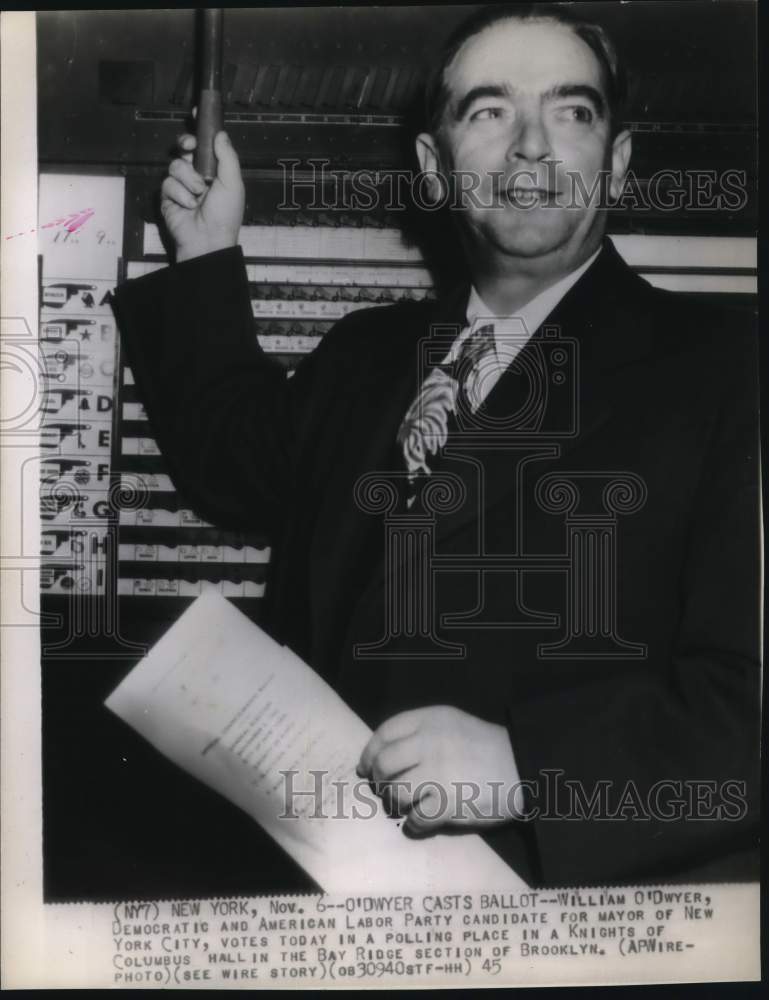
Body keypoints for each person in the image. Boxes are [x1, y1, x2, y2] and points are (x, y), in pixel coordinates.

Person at [111, 3, 759, 888]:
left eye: (570, 111)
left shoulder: (730, 370)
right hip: (319, 896)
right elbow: (235, 468)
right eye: (488, 112)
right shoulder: (365, 354)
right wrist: (206, 252)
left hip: (563, 920)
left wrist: (530, 769)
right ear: (434, 166)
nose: (530, 145)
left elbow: (745, 702)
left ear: (614, 163)